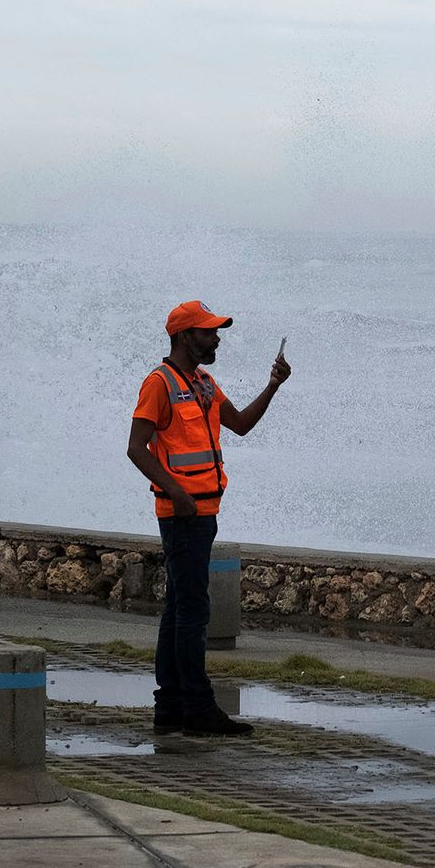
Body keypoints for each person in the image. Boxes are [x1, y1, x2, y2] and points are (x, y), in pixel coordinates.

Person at [125, 300, 290, 737]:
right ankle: (197, 708)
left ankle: (171, 707)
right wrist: (175, 490)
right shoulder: (158, 384)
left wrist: (272, 386)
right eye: (208, 332)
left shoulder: (202, 383)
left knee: (179, 608)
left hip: (203, 512)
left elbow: (239, 424)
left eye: (216, 331)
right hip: (182, 514)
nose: (217, 338)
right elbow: (135, 447)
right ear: (184, 337)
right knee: (193, 610)